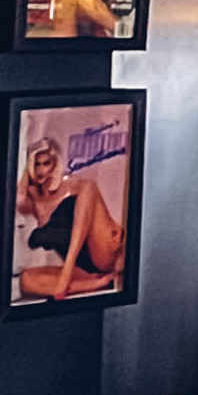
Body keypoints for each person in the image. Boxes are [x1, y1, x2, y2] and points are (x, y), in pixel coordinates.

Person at [13, 127, 130, 303]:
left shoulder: (70, 186)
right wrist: (26, 170)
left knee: (88, 187)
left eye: (47, 163)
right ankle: (97, 284)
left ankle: (70, 275)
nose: (41, 170)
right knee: (26, 280)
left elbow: (89, 193)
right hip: (83, 269)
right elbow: (18, 200)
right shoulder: (34, 201)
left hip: (104, 250)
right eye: (36, 164)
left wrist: (66, 272)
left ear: (54, 164)